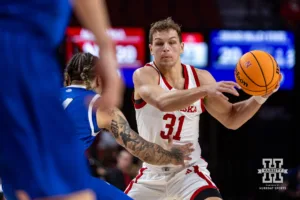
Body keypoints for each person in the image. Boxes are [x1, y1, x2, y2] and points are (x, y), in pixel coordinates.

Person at [127, 17, 281, 200]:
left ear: (182, 47)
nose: (166, 47)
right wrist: (204, 90)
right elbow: (162, 101)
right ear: (151, 48)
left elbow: (232, 118)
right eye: (159, 43)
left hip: (188, 173)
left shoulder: (200, 78)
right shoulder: (144, 75)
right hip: (151, 175)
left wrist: (261, 96)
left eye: (172, 42)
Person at [0, 0, 124, 199]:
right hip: (19, 54)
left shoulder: (63, 92)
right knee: (75, 194)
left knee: (23, 191)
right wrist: (106, 48)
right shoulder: (92, 103)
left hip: (21, 56)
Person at [62, 52, 193, 166]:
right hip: (60, 178)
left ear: (67, 79)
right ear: (99, 80)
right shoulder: (99, 106)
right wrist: (173, 156)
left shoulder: (48, 97)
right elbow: (141, 150)